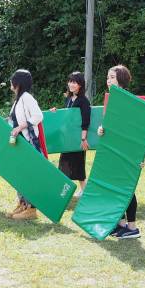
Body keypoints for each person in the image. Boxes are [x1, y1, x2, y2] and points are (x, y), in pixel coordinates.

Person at [97, 65, 142, 239]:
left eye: (112, 77)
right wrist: (102, 129)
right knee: (116, 188)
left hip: (125, 152)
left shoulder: (128, 101)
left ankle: (132, 228)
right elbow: (112, 125)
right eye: (107, 77)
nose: (108, 81)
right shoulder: (113, 99)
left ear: (121, 80)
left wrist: (136, 155)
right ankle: (121, 224)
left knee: (126, 189)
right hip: (113, 151)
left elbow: (134, 129)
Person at [7, 69, 44, 221]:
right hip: (19, 143)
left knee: (28, 175)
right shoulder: (18, 99)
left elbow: (38, 115)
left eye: (13, 79)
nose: (10, 82)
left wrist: (21, 127)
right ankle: (23, 204)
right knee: (18, 174)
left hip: (28, 143)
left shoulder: (27, 98)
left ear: (18, 82)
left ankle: (31, 209)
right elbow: (14, 119)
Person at [53, 71, 91, 206]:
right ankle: (62, 193)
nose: (71, 84)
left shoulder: (83, 101)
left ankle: (85, 193)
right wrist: (56, 112)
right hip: (67, 140)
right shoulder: (69, 99)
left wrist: (83, 139)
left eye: (74, 82)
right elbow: (66, 117)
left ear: (80, 84)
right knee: (63, 165)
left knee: (79, 168)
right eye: (70, 81)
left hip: (78, 139)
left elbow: (86, 121)